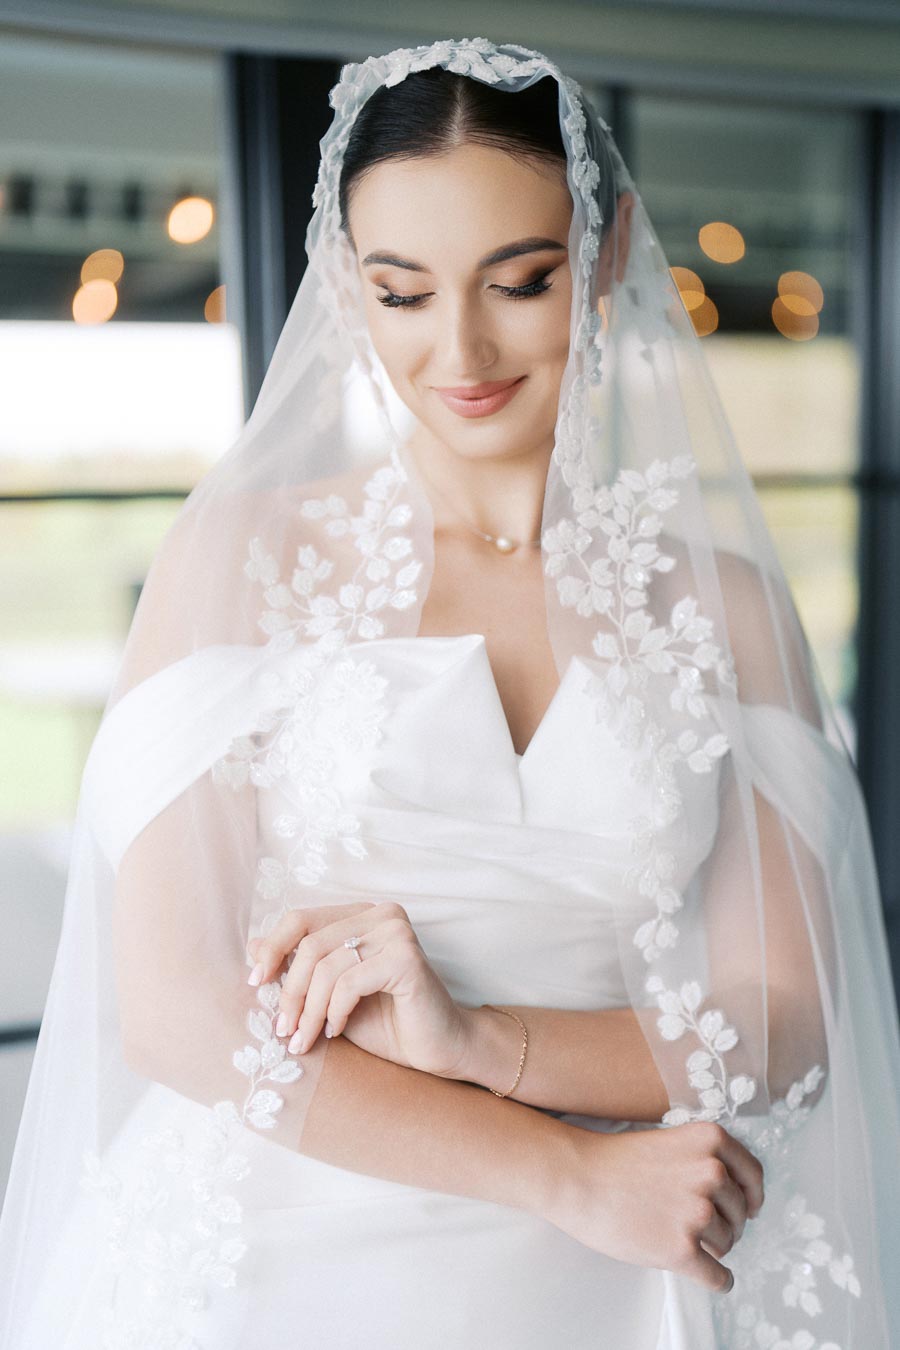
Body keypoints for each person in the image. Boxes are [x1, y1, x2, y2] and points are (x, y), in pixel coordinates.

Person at [2, 35, 899, 1350]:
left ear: (605, 254)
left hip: (644, 1253)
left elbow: (788, 1016)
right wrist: (565, 1168)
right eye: (403, 290)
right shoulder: (245, 558)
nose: (460, 348)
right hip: (293, 1259)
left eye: (520, 280)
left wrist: (485, 1040)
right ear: (342, 283)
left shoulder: (724, 608)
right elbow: (181, 1009)